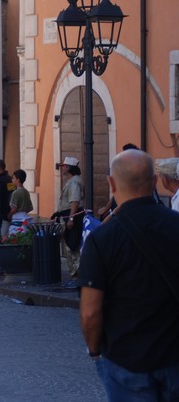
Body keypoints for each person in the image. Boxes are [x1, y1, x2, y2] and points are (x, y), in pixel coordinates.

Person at [78, 149, 179, 400]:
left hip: (126, 358)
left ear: (112, 184)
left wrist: (94, 352)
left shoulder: (101, 239)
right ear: (155, 181)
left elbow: (90, 311)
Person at [54, 156, 84, 279]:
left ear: (70, 168)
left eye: (65, 166)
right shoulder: (73, 180)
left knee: (72, 246)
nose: (63, 168)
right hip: (69, 215)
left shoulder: (74, 182)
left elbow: (75, 201)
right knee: (71, 244)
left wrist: (71, 219)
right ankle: (75, 274)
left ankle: (76, 275)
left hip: (71, 216)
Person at [7, 169, 34, 234]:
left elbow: (14, 208)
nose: (12, 180)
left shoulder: (15, 193)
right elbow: (31, 207)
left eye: (13, 178)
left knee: (15, 238)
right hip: (26, 218)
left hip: (17, 219)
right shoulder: (26, 192)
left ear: (18, 179)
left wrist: (9, 215)